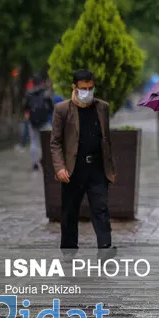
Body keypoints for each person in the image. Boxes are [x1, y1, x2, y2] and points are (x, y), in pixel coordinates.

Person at [50, 69, 117, 260]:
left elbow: (106, 139)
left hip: (97, 168)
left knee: (101, 208)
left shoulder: (102, 107)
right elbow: (55, 142)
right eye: (83, 88)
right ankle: (69, 251)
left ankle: (105, 248)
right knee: (70, 211)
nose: (87, 91)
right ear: (74, 87)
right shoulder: (62, 110)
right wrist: (59, 167)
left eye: (90, 88)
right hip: (73, 169)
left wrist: (111, 168)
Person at [24, 75, 54, 170]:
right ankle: (48, 161)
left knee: (34, 142)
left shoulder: (29, 94)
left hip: (33, 122)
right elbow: (51, 107)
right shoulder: (45, 93)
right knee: (48, 141)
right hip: (44, 122)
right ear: (41, 82)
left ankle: (35, 164)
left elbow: (26, 107)